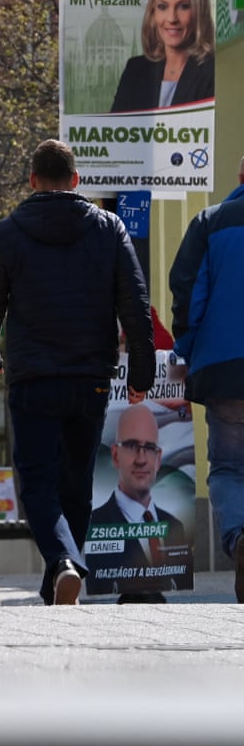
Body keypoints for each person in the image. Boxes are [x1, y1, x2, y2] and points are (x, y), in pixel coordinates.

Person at [0, 138, 154, 605]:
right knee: (76, 483)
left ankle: (63, 563)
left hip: (33, 378)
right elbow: (135, 302)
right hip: (90, 375)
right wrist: (142, 373)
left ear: (33, 180)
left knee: (37, 481)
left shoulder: (9, 232)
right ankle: (61, 575)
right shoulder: (109, 229)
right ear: (76, 180)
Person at [169, 154, 244, 602]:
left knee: (230, 466)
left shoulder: (210, 222)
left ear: (239, 177)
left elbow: (188, 292)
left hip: (224, 371)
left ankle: (238, 538)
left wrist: (187, 350)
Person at [88, 406, 187, 603]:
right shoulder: (97, 524)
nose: (141, 459)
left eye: (149, 448)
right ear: (115, 455)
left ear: (158, 459)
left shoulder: (175, 526)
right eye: (132, 446)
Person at [111, 0, 215, 113]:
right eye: (162, 6)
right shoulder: (135, 70)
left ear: (199, 10)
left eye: (183, 6)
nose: (172, 18)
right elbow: (113, 131)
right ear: (153, 12)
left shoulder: (212, 71)